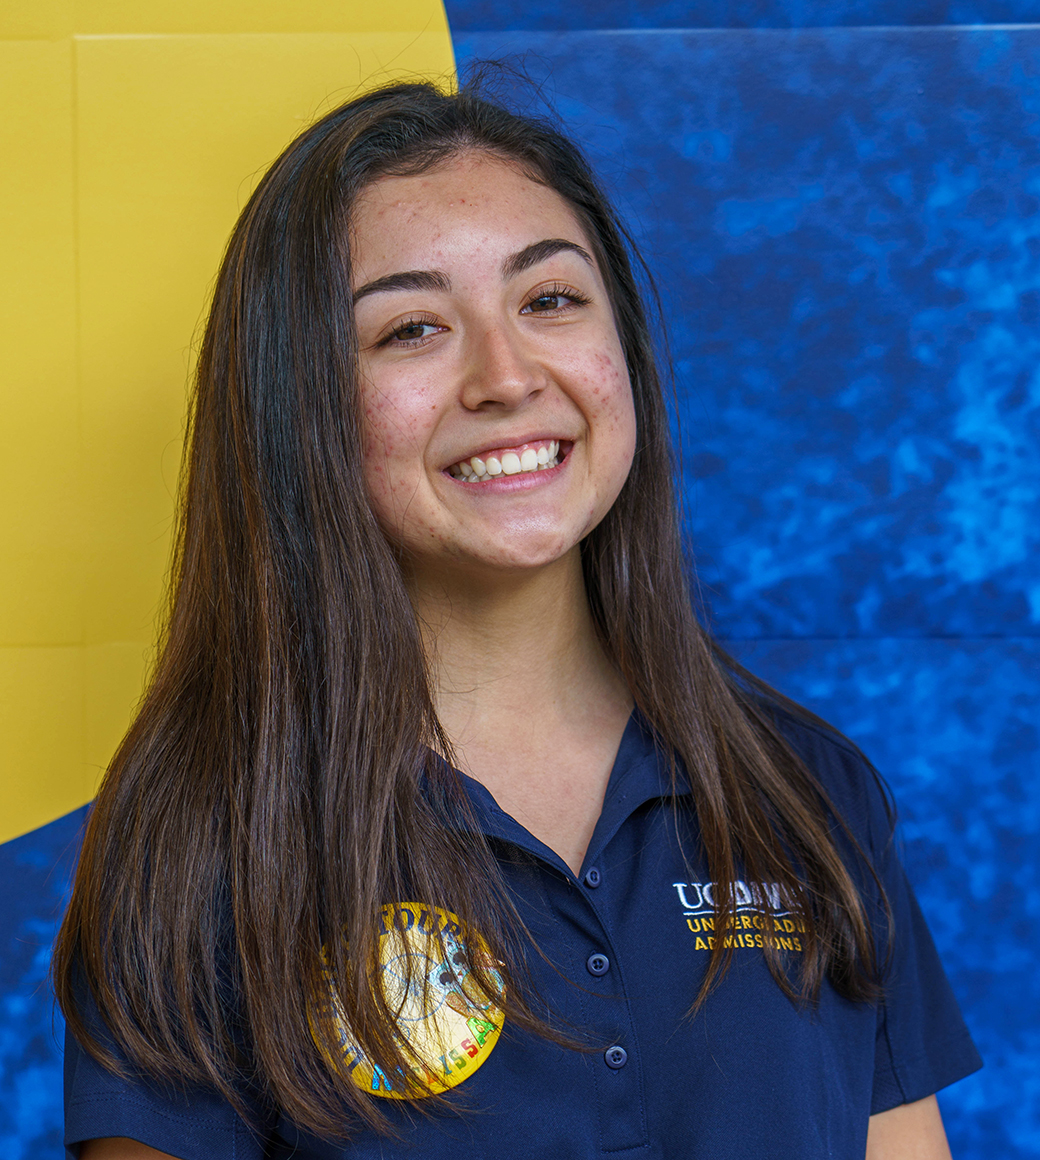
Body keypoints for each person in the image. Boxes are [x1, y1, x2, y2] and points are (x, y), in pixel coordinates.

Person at [54, 77, 981, 1160]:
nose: (505, 376)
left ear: (622, 349)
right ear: (299, 402)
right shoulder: (210, 831)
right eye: (411, 328)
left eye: (547, 301)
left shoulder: (808, 791)